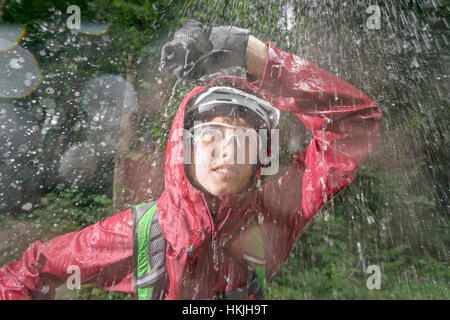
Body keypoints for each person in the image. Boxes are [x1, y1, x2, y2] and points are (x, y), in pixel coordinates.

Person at [0, 20, 382, 300]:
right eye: (212, 136)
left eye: (244, 139)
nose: (228, 150)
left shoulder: (277, 212)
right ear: (184, 148)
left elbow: (354, 123)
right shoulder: (141, 234)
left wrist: (254, 55)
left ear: (259, 158)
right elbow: (29, 271)